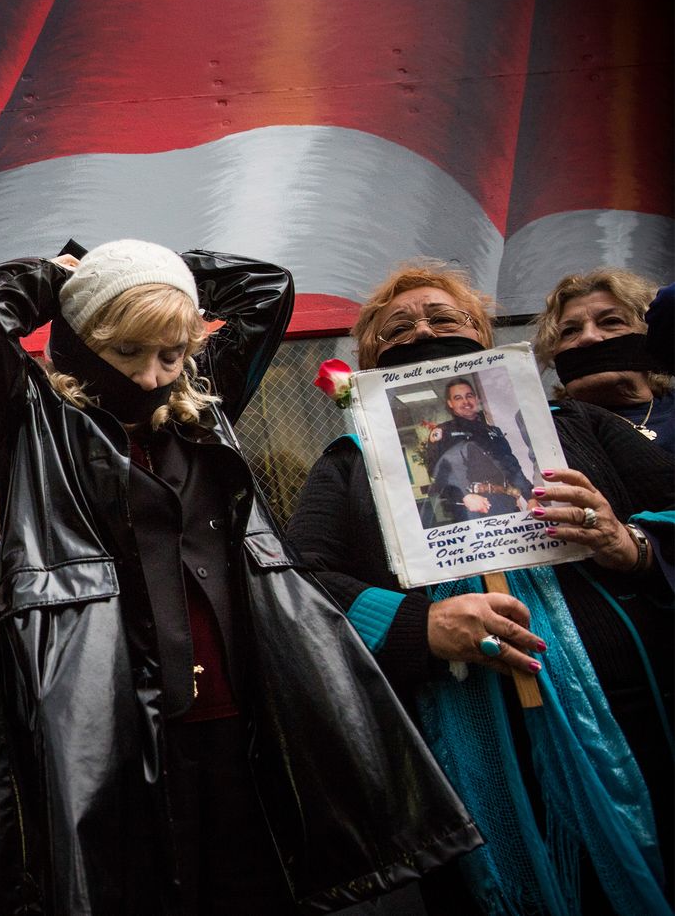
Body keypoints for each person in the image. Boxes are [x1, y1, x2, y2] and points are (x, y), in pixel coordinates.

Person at [0, 240, 479, 915]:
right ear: (78, 341)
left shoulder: (200, 406)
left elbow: (267, 290)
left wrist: (158, 267)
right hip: (109, 727)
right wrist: (68, 275)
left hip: (241, 710)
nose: (154, 375)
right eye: (128, 351)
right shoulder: (30, 423)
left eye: (170, 353)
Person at [288, 260, 674, 915]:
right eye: (396, 328)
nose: (422, 331)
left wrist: (628, 543)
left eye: (445, 318)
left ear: (486, 341)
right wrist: (420, 628)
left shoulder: (577, 427)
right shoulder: (350, 463)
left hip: (633, 729)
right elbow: (298, 589)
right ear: (367, 363)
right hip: (455, 760)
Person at [533, 268, 673, 454]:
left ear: (648, 336)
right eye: (570, 331)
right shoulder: (541, 429)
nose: (588, 337)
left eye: (611, 321)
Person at [424, 376, 534, 524]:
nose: (465, 402)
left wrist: (531, 497)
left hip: (506, 502)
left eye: (469, 396)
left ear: (476, 399)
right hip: (470, 508)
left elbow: (512, 467)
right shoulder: (444, 432)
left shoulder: (493, 431)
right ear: (450, 403)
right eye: (458, 398)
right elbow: (436, 472)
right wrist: (464, 495)